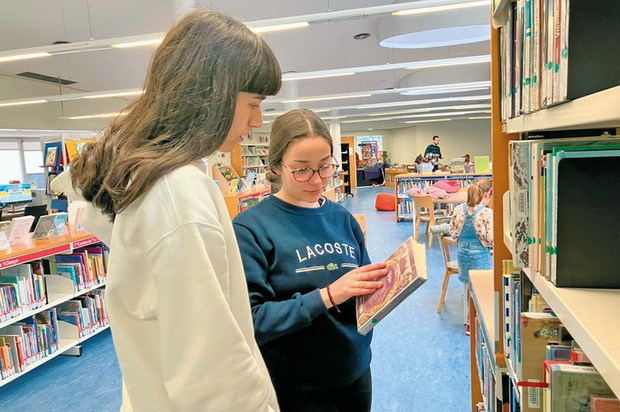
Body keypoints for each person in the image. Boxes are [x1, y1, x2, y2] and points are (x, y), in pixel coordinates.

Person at [52, 10, 282, 411]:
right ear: (210, 97)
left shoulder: (153, 184)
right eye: (252, 103)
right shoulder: (179, 193)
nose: (257, 120)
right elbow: (209, 367)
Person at [232, 109, 388, 412]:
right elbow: (252, 320)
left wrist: (386, 290)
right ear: (276, 166)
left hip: (354, 371)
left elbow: (362, 285)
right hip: (293, 385)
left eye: (325, 166)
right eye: (302, 169)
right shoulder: (251, 228)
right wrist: (328, 295)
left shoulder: (342, 218)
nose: (316, 179)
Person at [449, 178, 493, 333]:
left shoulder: (459, 209)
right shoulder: (487, 213)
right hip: (479, 256)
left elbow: (453, 232)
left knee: (467, 287)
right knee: (482, 287)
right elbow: (491, 238)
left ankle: (467, 322)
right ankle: (479, 320)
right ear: (488, 193)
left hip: (462, 254)